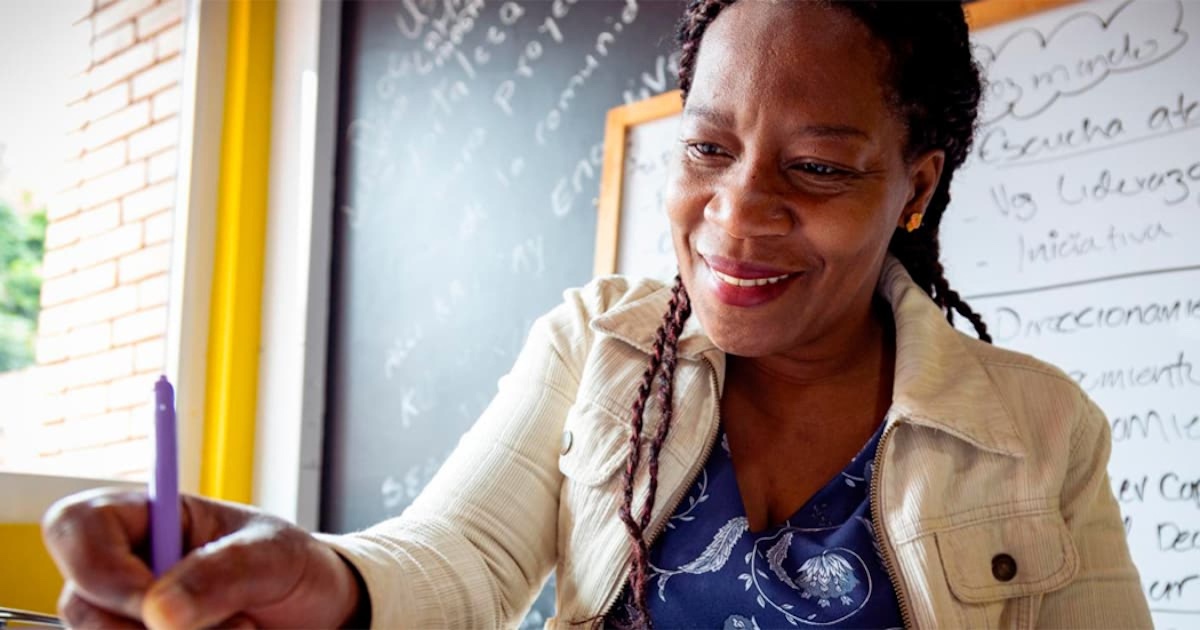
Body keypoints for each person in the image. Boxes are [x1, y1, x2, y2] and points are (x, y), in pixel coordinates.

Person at [42, 1, 1152, 628]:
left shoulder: (1041, 430)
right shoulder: (597, 345)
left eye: (817, 168)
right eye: (707, 148)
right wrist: (319, 581)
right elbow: (461, 556)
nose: (736, 214)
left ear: (915, 187)